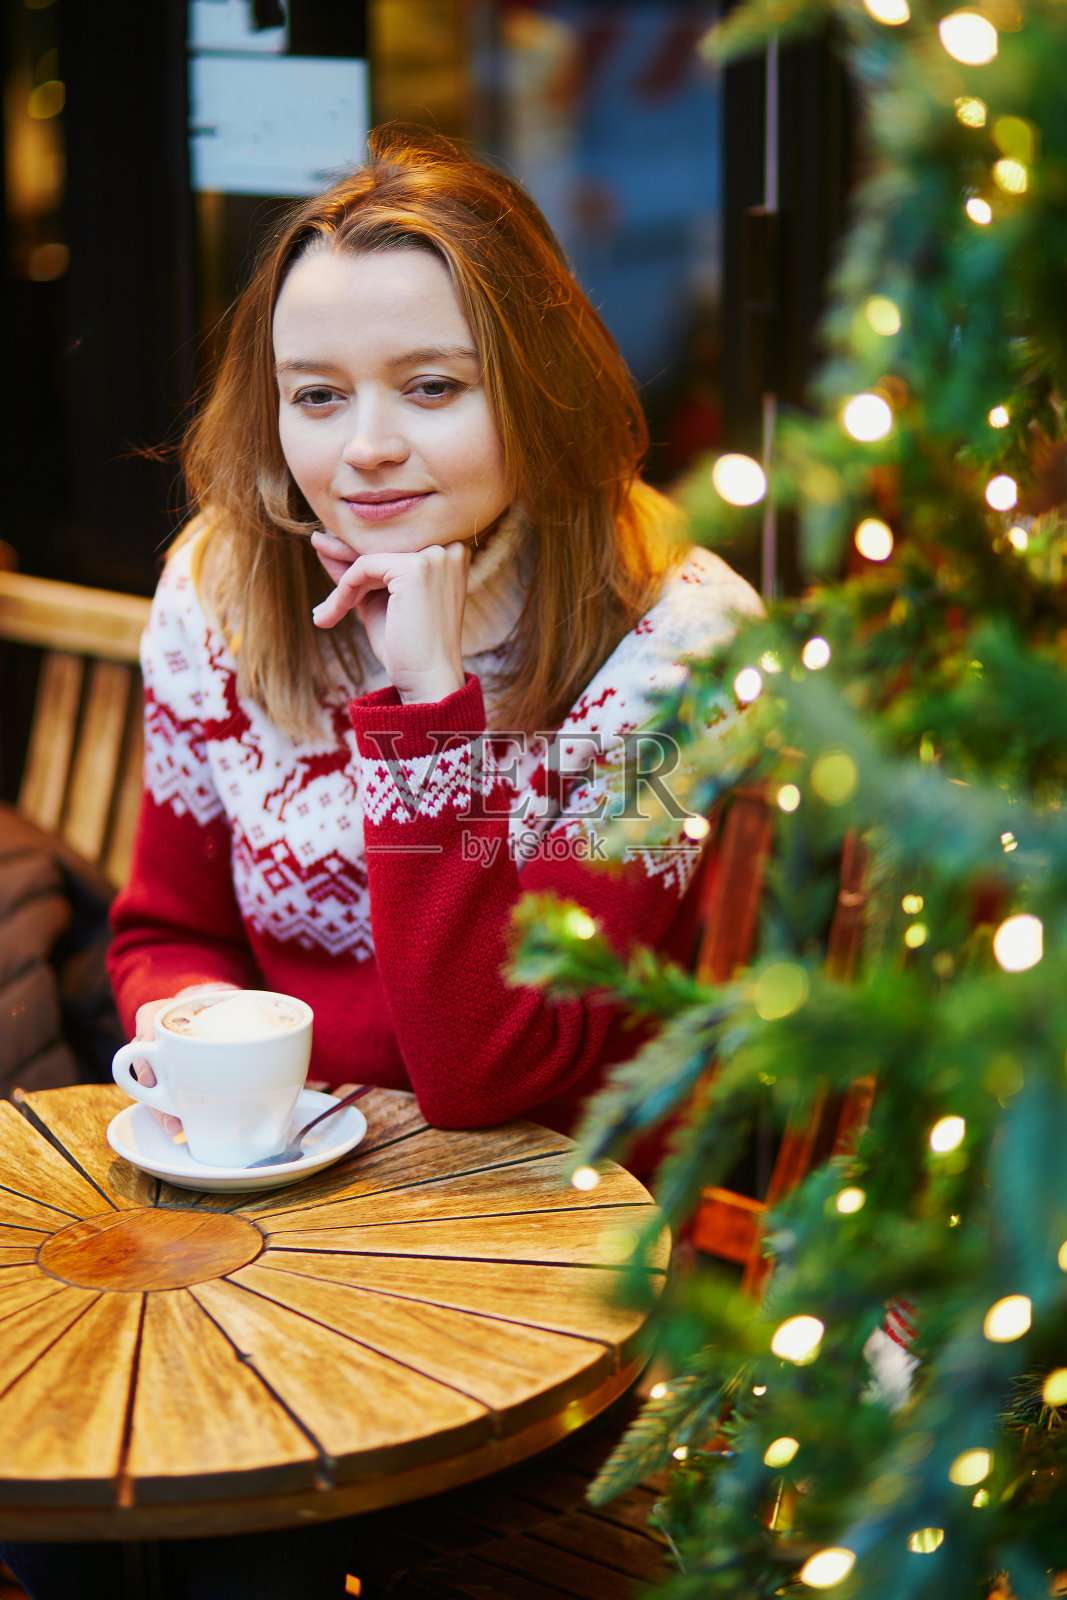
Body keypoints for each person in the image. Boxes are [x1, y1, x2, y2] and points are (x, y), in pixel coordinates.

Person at [0, 122, 761, 1599]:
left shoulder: (680, 649)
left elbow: (495, 1070)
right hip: (279, 1220)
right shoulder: (223, 585)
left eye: (432, 387)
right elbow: (164, 930)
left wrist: (421, 717)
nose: (365, 448)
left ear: (533, 392)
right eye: (316, 396)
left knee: (216, 1531)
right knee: (61, 1481)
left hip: (545, 1253)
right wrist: (210, 1054)